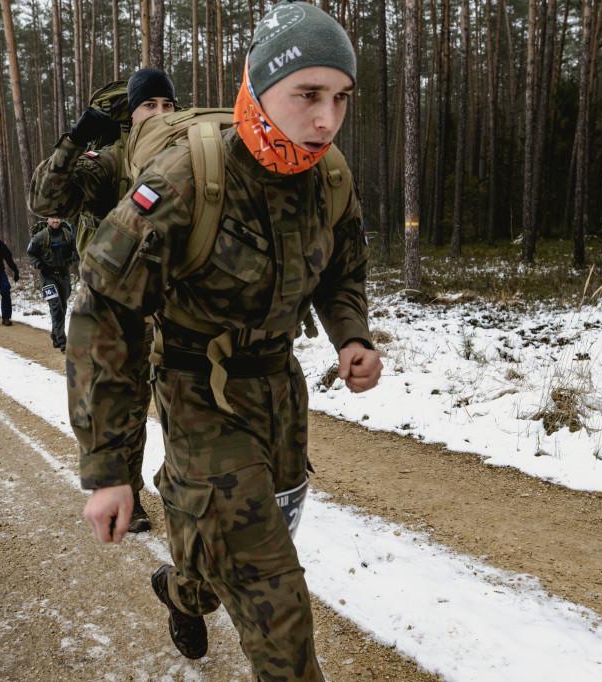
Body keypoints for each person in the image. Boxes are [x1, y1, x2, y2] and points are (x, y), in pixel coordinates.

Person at [70, 3, 382, 677]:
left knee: (253, 536)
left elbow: (343, 266)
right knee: (275, 590)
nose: (326, 119)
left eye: (340, 98)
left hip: (279, 389)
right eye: (307, 95)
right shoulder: (184, 181)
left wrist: (350, 334)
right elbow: (104, 315)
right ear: (260, 87)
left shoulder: (328, 177)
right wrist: (109, 471)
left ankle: (185, 587)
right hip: (194, 395)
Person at [28, 66, 178, 534]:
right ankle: (127, 492)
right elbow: (48, 202)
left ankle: (182, 495)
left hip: (174, 305)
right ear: (130, 114)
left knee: (184, 406)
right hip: (120, 307)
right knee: (125, 407)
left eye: (167, 106)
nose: (159, 114)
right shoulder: (111, 161)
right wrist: (74, 141)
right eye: (148, 106)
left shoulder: (186, 155)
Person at [27, 218, 78, 352]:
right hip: (47, 276)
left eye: (57, 217)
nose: (55, 220)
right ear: (47, 219)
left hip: (63, 275)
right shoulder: (40, 237)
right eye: (52, 218)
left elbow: (78, 252)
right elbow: (31, 254)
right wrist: (40, 266)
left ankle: (55, 335)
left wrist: (70, 256)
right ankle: (62, 340)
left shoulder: (68, 235)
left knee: (62, 305)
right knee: (55, 306)